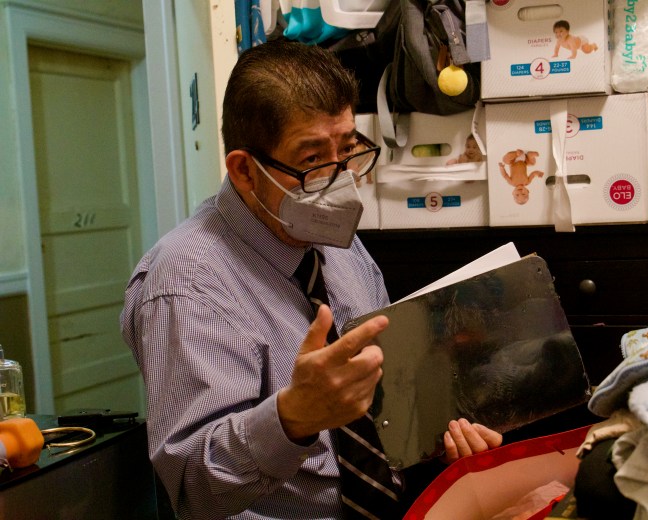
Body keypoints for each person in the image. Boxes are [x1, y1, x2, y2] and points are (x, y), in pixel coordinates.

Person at [121, 40, 502, 520]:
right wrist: (291, 419)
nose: (340, 181)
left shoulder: (326, 236)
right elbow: (193, 490)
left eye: (347, 149)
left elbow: (382, 405)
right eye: (312, 160)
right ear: (243, 170)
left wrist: (439, 434)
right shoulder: (186, 283)